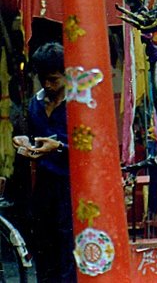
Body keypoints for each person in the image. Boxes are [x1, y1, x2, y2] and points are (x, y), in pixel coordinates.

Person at [12, 42, 76, 283]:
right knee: (44, 245)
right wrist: (23, 142)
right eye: (43, 79)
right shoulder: (35, 104)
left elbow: (89, 148)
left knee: (68, 249)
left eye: (53, 79)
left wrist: (59, 147)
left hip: (71, 184)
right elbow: (31, 136)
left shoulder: (78, 104)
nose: (48, 85)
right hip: (44, 184)